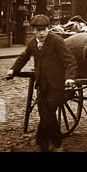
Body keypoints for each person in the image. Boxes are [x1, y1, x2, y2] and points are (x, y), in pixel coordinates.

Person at [6, 14, 77, 152]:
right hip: (42, 85)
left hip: (58, 86)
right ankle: (51, 142)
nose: (42, 33)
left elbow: (70, 61)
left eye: (44, 29)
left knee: (48, 112)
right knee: (45, 113)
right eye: (38, 30)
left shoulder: (57, 41)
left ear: (48, 28)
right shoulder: (33, 43)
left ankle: (47, 142)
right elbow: (23, 57)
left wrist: (69, 78)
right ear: (33, 30)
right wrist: (13, 70)